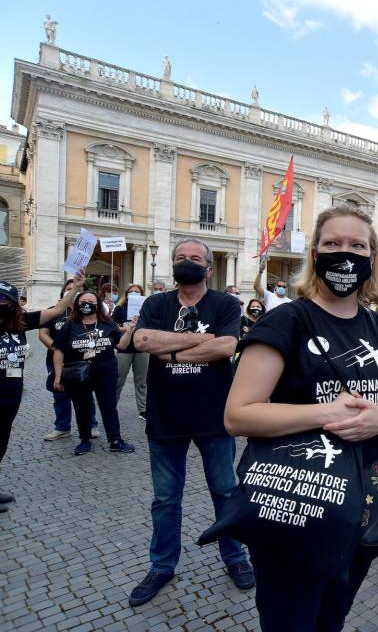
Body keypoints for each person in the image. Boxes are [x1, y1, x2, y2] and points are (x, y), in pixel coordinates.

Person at [224, 205, 378, 632]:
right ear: (314, 254)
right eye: (332, 244)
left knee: (332, 617)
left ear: (372, 258)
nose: (344, 254)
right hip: (296, 502)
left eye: (356, 246)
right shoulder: (286, 321)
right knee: (290, 620)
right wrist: (328, 413)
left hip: (362, 505)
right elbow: (238, 414)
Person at [128, 238, 254, 607]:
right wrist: (197, 340)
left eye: (195, 258)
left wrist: (169, 348)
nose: (187, 262)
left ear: (209, 269)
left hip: (214, 416)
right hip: (165, 417)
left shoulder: (226, 303)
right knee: (165, 499)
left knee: (226, 491)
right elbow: (142, 339)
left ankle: (236, 558)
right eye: (181, 258)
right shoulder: (156, 303)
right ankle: (162, 566)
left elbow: (226, 347)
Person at [0, 277, 82, 512]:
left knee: (2, 441)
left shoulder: (20, 322)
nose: (1, 302)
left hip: (11, 393)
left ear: (14, 303)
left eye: (5, 299)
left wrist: (75, 289)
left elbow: (57, 309)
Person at [52, 289, 136, 456]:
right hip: (78, 374)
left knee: (109, 406)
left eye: (91, 301)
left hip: (105, 372)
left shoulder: (108, 323)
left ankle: (115, 440)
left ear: (97, 305)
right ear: (77, 305)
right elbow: (58, 350)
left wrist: (130, 330)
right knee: (81, 407)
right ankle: (85, 440)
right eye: (83, 301)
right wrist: (58, 374)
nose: (87, 304)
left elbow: (121, 346)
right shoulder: (70, 325)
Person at [40, 279, 98, 441]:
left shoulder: (88, 314)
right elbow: (43, 334)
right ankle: (62, 427)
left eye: (76, 289)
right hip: (55, 360)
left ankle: (91, 425)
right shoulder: (53, 312)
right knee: (59, 395)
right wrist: (58, 349)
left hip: (81, 361)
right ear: (63, 292)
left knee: (86, 394)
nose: (72, 291)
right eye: (69, 289)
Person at [113, 283, 149, 421]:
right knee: (118, 379)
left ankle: (143, 409)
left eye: (137, 292)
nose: (134, 294)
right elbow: (113, 327)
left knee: (142, 381)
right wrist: (127, 328)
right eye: (131, 291)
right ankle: (112, 404)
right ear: (126, 294)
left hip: (142, 348)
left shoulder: (146, 309)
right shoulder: (120, 308)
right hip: (124, 349)